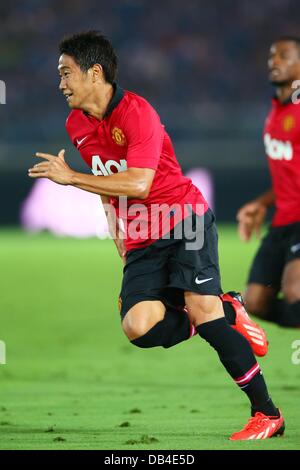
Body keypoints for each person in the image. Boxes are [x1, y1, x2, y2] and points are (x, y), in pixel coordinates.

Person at [28, 31, 283, 440]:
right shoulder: (76, 123)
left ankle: (267, 413)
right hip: (143, 236)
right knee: (138, 326)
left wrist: (70, 178)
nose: (60, 83)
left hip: (186, 220)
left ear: (95, 73)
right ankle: (229, 309)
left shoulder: (137, 112)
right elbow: (107, 184)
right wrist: (118, 235)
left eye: (66, 73)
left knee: (203, 312)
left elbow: (141, 183)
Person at [237, 36, 300, 329]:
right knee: (255, 302)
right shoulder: (275, 112)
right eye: (272, 56)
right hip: (282, 221)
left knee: (294, 292)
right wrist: (259, 203)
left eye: (284, 56)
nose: (274, 61)